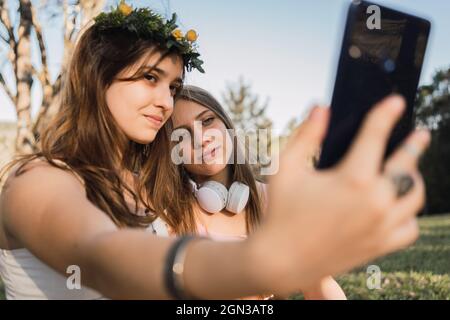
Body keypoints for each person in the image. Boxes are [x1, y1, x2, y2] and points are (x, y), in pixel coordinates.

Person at [0, 2, 430, 300]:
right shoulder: (36, 180)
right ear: (97, 79)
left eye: (171, 86)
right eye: (149, 78)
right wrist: (259, 261)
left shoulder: (140, 188)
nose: (166, 101)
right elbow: (101, 255)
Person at [169, 85, 346, 299]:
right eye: (183, 134)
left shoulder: (274, 199)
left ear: (226, 125)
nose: (201, 138)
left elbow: (318, 282)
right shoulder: (172, 213)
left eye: (207, 121)